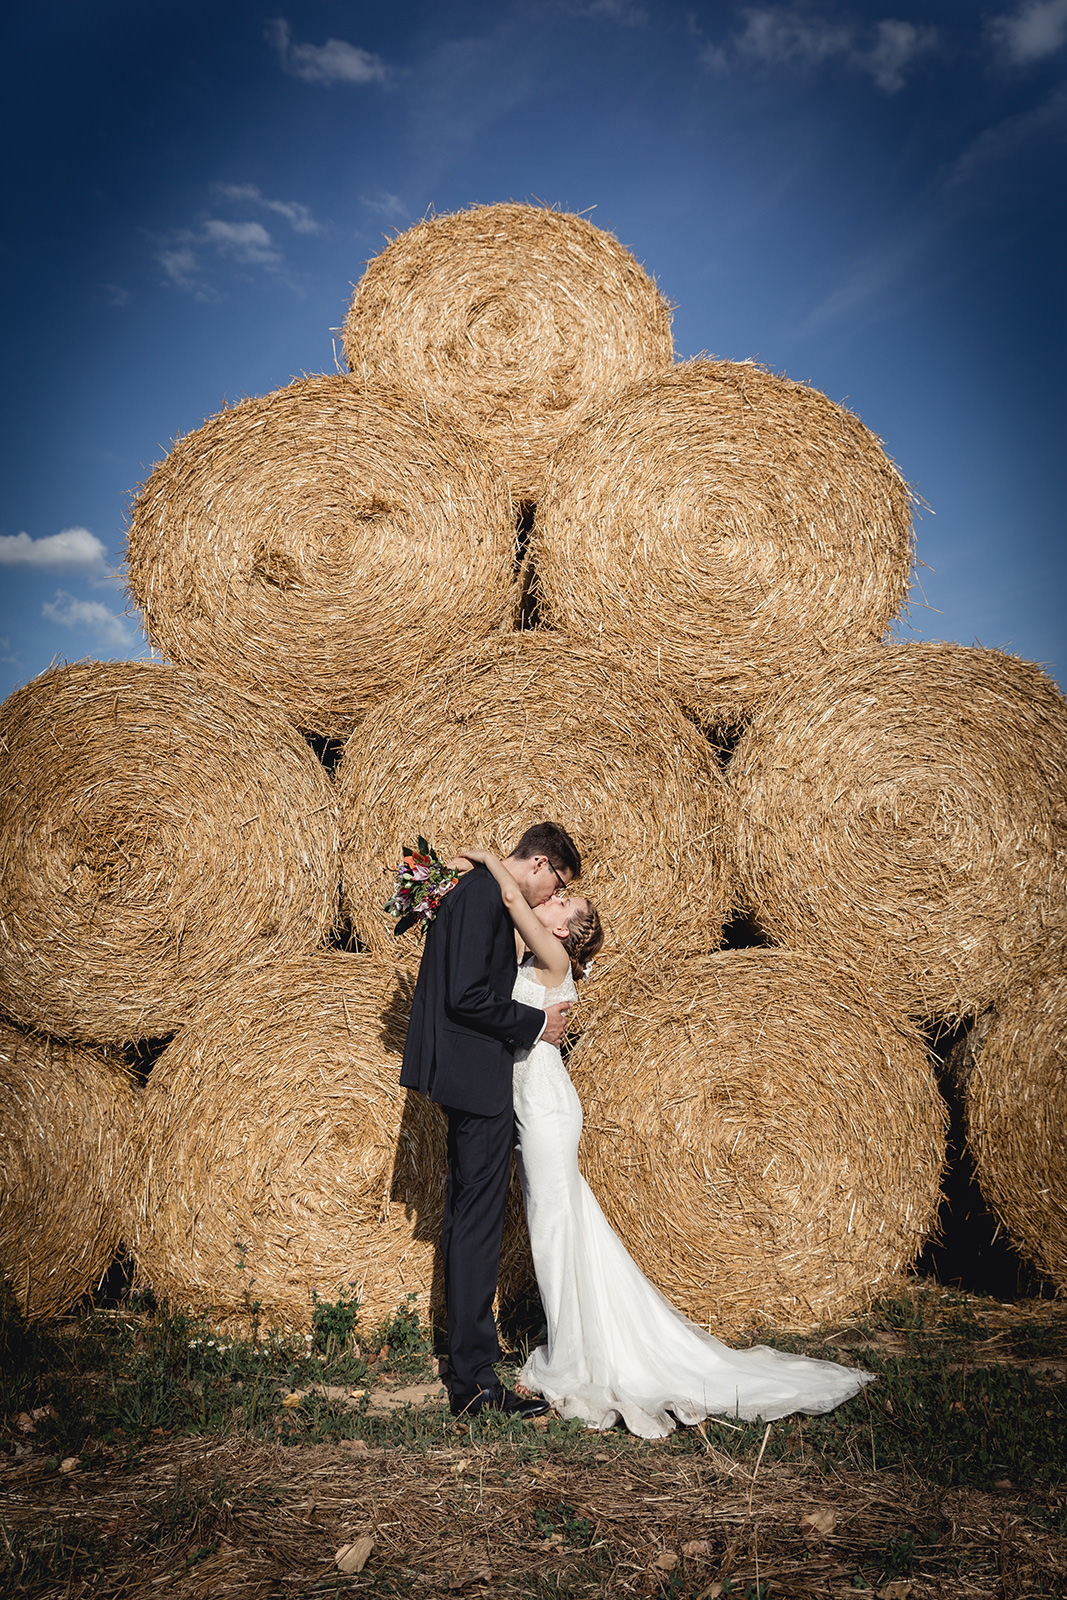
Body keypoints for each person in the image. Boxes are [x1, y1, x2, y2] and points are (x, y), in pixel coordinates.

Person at [453, 848, 875, 1440]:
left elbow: (510, 898)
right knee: (564, 1224)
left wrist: (490, 861)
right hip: (533, 1105)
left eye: (561, 902)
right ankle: (580, 1340)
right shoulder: (534, 955)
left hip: (547, 1110)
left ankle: (574, 1360)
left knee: (551, 1228)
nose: (550, 901)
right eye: (556, 895)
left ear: (566, 931)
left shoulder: (551, 957)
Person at [400, 821, 581, 1419]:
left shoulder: (475, 889)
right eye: (558, 882)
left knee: (464, 1221)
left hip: (465, 1078)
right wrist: (534, 1025)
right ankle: (475, 1383)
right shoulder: (481, 893)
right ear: (543, 864)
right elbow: (468, 995)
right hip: (478, 1084)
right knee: (476, 1228)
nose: (552, 894)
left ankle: (465, 1357)